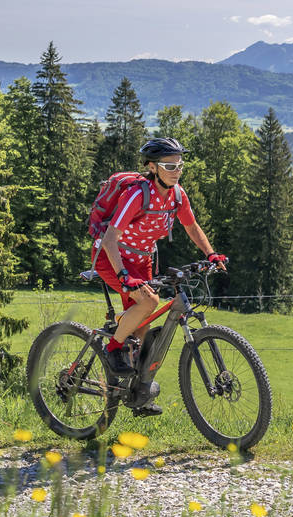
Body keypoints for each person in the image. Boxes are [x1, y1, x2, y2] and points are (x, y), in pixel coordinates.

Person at [94, 137, 227, 416]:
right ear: (152, 167)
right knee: (148, 302)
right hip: (112, 257)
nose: (176, 170)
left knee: (143, 330)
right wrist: (123, 275)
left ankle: (137, 394)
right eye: (169, 165)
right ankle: (113, 347)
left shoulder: (178, 195)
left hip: (141, 260)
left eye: (180, 164)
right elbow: (109, 239)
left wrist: (211, 254)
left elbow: (191, 227)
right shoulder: (137, 195)